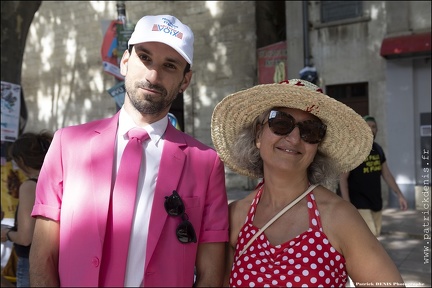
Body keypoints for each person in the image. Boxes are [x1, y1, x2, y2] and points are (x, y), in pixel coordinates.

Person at [29, 14, 229, 287]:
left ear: (185, 81)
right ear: (125, 62)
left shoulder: (205, 163)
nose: (153, 75)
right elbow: (43, 258)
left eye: (170, 65)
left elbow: (211, 274)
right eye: (144, 58)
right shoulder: (67, 145)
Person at [211, 79, 405, 287]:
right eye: (281, 123)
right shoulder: (236, 217)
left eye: (310, 131)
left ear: (317, 146)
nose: (294, 139)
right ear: (258, 134)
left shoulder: (339, 217)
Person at [339, 115, 408, 237]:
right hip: (359, 203)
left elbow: (386, 174)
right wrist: (347, 204)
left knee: (375, 236)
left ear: (377, 130)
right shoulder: (354, 150)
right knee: (371, 236)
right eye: (368, 126)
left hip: (376, 202)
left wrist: (400, 195)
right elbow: (343, 178)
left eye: (374, 126)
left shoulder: (378, 149)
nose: (371, 129)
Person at [0, 131, 53, 287]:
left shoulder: (30, 186)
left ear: (22, 160)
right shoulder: (56, 180)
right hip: (52, 260)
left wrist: (6, 234)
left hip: (31, 261)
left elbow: (25, 238)